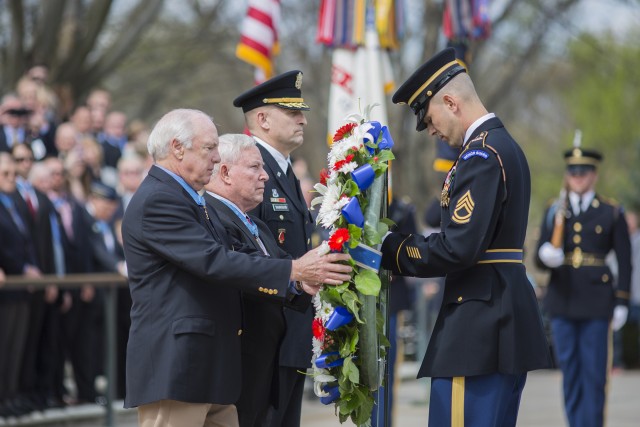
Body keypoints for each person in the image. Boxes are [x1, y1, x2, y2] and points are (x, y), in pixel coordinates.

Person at [121, 108, 351, 427]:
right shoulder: (160, 199)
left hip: (210, 366)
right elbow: (213, 261)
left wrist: (303, 276)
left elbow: (240, 253)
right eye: (209, 148)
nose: (216, 158)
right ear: (176, 148)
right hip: (177, 367)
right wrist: (293, 272)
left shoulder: (191, 200)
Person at [381, 47, 553, 426]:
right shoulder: (499, 147)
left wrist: (388, 249)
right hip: (496, 315)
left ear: (450, 102)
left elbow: (457, 247)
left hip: (478, 324)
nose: (431, 132)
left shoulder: (481, 156)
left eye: (429, 119)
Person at [204, 133, 308, 427]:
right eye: (254, 168)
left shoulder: (255, 223)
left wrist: (305, 281)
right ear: (224, 172)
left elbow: (284, 270)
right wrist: (299, 272)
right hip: (239, 363)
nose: (264, 176)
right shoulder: (214, 216)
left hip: (264, 359)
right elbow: (250, 270)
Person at [233, 70, 315, 427]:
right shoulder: (251, 170)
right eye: (292, 112)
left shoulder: (284, 171)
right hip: (263, 334)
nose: (303, 120)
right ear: (262, 119)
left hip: (289, 330)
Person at [535, 147, 631, 427]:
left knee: (594, 374)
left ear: (594, 175)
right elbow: (540, 258)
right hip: (562, 301)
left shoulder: (611, 212)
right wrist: (545, 255)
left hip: (597, 303)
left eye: (584, 172)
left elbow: (625, 262)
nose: (578, 177)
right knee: (571, 372)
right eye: (573, 172)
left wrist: (622, 301)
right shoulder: (555, 209)